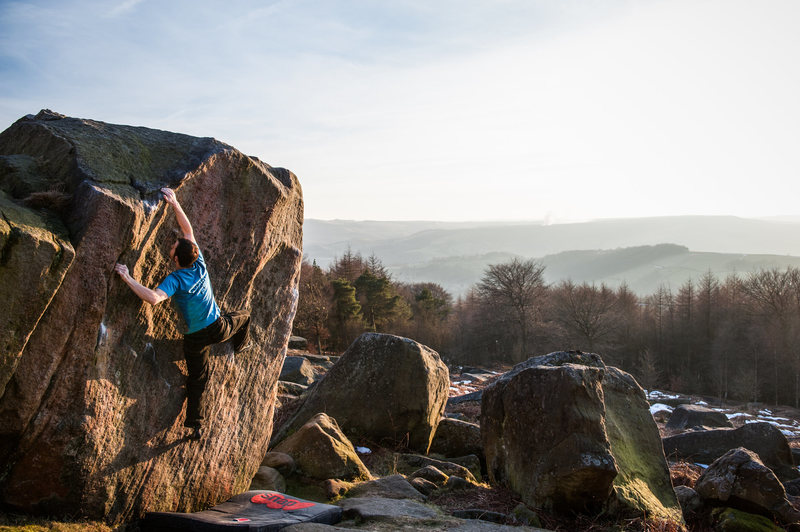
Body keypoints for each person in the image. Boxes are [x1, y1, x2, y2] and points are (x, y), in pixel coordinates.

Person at [114, 187, 251, 440]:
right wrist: (175, 203)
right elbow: (188, 231)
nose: (175, 242)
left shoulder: (175, 279)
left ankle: (195, 425)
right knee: (244, 315)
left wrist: (127, 278)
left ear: (176, 259)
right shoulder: (200, 263)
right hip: (218, 328)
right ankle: (241, 344)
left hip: (196, 338)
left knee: (197, 380)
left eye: (174, 246)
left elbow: (154, 298)